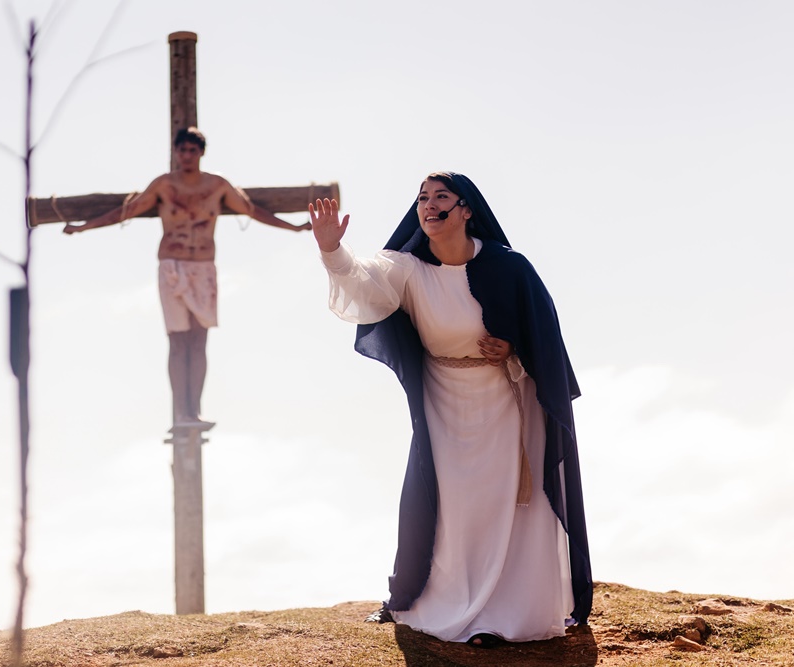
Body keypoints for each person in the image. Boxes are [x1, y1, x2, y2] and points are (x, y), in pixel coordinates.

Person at [309, 172, 591, 646]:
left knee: (504, 504)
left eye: (441, 196)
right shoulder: (409, 269)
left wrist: (513, 351)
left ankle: (504, 616)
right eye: (422, 197)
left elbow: (545, 340)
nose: (429, 204)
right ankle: (447, 605)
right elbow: (362, 286)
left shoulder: (510, 267)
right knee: (454, 508)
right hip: (442, 404)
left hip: (506, 403)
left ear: (466, 210)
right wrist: (331, 249)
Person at [64, 127, 310, 429]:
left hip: (203, 268)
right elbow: (125, 211)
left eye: (193, 150)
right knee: (179, 342)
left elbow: (253, 210)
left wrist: (294, 228)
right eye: (182, 150)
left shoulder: (217, 186)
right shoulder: (164, 185)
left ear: (201, 152)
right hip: (172, 267)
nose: (187, 156)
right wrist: (83, 227)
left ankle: (194, 412)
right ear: (176, 152)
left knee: (199, 341)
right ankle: (182, 413)